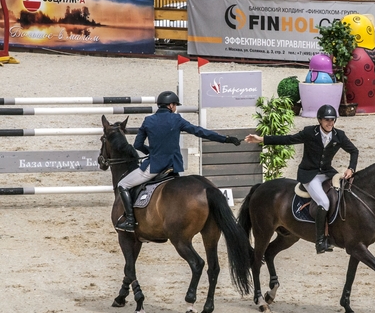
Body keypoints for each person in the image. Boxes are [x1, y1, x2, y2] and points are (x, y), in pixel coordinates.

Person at [115, 90, 241, 233]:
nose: (175, 108)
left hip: (155, 167)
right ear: (170, 105)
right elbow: (199, 131)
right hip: (173, 167)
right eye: (175, 105)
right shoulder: (177, 119)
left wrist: (152, 152)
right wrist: (225, 139)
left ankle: (130, 220)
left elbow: (137, 145)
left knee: (123, 184)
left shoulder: (148, 120)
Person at [245, 104, 358, 254]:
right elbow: (288, 139)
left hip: (327, 173)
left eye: (332, 120)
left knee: (339, 196)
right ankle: (320, 241)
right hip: (310, 175)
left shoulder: (339, 135)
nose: (330, 123)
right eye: (327, 120)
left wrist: (351, 168)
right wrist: (261, 139)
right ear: (319, 120)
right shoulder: (310, 133)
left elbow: (354, 151)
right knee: (323, 201)